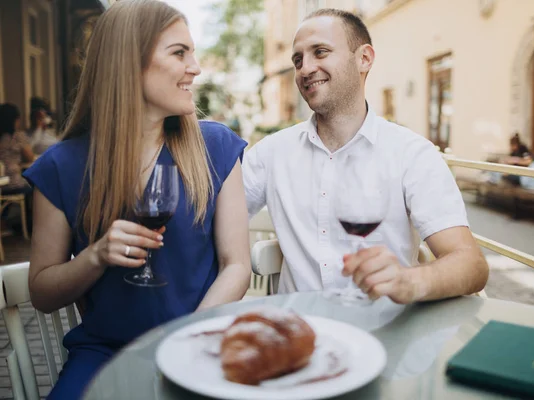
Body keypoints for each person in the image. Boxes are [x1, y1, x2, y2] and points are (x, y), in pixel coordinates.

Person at [23, 1, 251, 398]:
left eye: (193, 53)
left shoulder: (216, 147)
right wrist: (95, 256)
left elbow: (237, 266)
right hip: (105, 352)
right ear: (128, 62)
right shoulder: (61, 165)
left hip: (199, 343)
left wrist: (185, 340)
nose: (195, 67)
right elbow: (41, 293)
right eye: (179, 53)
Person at [243, 9, 488, 304]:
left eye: (320, 52)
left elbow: (471, 265)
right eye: (298, 60)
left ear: (364, 58)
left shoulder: (411, 154)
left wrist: (409, 281)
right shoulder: (271, 153)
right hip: (301, 334)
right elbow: (210, 222)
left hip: (386, 334)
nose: (305, 68)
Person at [0, 103, 35, 227]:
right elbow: (30, 157)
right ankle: (29, 221)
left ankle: (4, 219)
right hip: (13, 182)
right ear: (15, 120)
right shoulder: (18, 136)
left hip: (1, 182)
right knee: (34, 186)